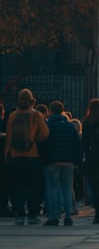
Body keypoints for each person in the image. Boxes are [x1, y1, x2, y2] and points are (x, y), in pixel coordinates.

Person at [5, 89, 49, 225]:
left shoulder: (13, 116)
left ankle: (19, 213)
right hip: (32, 155)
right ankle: (32, 214)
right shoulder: (36, 115)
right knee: (33, 187)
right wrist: (35, 140)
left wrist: (7, 154)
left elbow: (9, 137)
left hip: (16, 156)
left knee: (17, 186)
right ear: (32, 100)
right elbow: (45, 133)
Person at [40, 101, 82, 226]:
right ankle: (68, 216)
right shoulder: (70, 126)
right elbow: (77, 145)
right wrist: (77, 161)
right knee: (67, 189)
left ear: (51, 112)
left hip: (52, 161)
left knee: (53, 189)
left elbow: (43, 144)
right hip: (68, 161)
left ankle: (54, 216)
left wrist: (43, 159)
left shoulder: (47, 125)